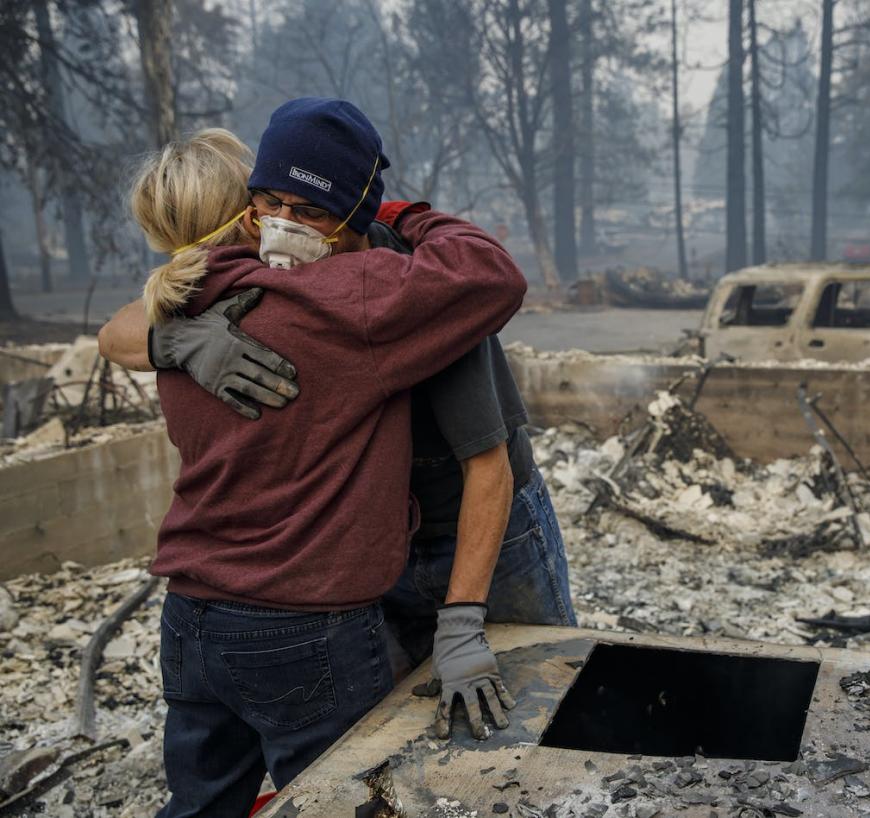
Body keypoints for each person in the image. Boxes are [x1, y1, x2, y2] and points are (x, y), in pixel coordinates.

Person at [99, 98, 576, 747]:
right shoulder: (260, 279)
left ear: (353, 215)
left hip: (481, 531)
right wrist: (173, 342)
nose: (282, 228)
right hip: (377, 546)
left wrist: (462, 621)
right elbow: (124, 324)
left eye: (309, 211)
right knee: (425, 735)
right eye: (269, 204)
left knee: (540, 703)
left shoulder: (419, 293)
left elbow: (486, 467)